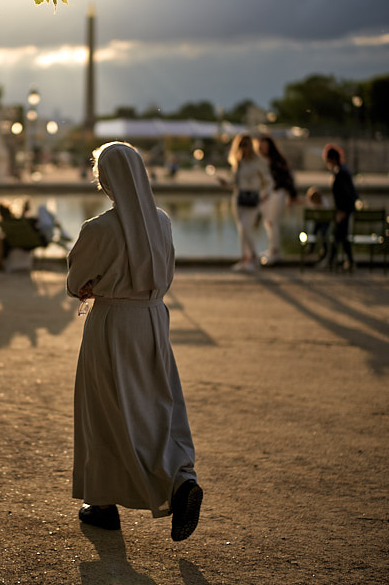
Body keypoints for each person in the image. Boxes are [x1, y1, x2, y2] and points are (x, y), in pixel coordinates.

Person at [66, 141, 202, 542]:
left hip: (112, 323)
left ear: (105, 180)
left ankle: (103, 502)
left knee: (105, 410)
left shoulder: (98, 229)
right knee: (159, 403)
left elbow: (77, 283)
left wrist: (94, 285)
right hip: (154, 318)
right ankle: (180, 479)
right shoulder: (161, 222)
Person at [219, 134, 273, 272]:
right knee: (241, 230)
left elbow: (268, 182)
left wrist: (264, 195)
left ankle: (254, 257)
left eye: (245, 144)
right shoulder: (238, 162)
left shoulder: (258, 162)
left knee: (246, 227)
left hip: (253, 199)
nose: (243, 148)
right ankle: (245, 258)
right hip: (239, 198)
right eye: (241, 145)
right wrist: (226, 183)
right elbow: (235, 182)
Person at [257, 135, 298, 266]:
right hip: (265, 194)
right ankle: (271, 248)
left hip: (277, 192)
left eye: (265, 145)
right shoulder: (260, 160)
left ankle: (275, 251)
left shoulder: (277, 160)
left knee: (272, 221)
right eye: (261, 145)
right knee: (267, 222)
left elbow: (287, 177)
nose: (263, 148)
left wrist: (292, 195)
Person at [322, 144, 359, 271]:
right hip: (345, 209)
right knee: (340, 236)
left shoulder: (341, 173)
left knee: (339, 236)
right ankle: (342, 262)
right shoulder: (342, 171)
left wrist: (342, 211)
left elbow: (346, 194)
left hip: (344, 210)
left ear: (331, 159)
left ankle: (332, 262)